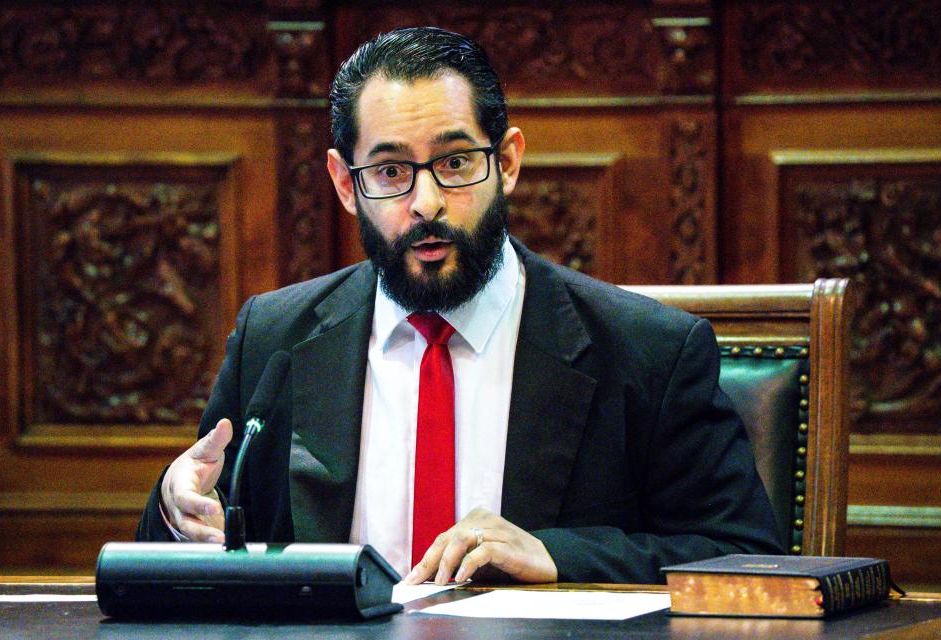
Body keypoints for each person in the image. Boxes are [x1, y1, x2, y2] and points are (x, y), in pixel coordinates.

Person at [137, 27, 783, 585]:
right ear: (344, 183)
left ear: (507, 162)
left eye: (454, 163)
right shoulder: (276, 336)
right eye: (390, 172)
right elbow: (183, 543)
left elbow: (748, 558)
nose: (426, 203)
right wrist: (177, 508)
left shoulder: (647, 350)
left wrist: (559, 555)